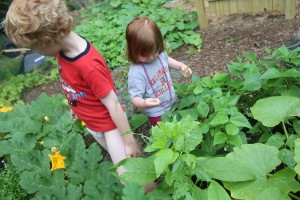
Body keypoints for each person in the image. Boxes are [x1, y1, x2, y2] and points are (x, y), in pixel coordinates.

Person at [3, 0, 155, 193]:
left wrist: (129, 141)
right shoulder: (63, 51)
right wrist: (77, 107)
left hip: (109, 128)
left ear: (49, 39)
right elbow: (75, 85)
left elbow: (114, 106)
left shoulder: (87, 64)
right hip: (93, 124)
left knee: (130, 177)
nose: (37, 53)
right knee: (122, 164)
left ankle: (154, 194)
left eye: (36, 48)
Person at [126, 17, 192, 126]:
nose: (151, 57)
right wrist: (143, 103)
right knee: (164, 133)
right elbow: (134, 97)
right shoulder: (137, 72)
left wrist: (181, 66)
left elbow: (167, 60)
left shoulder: (159, 55)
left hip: (172, 100)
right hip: (156, 111)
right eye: (144, 55)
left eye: (154, 52)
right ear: (133, 51)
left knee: (177, 126)